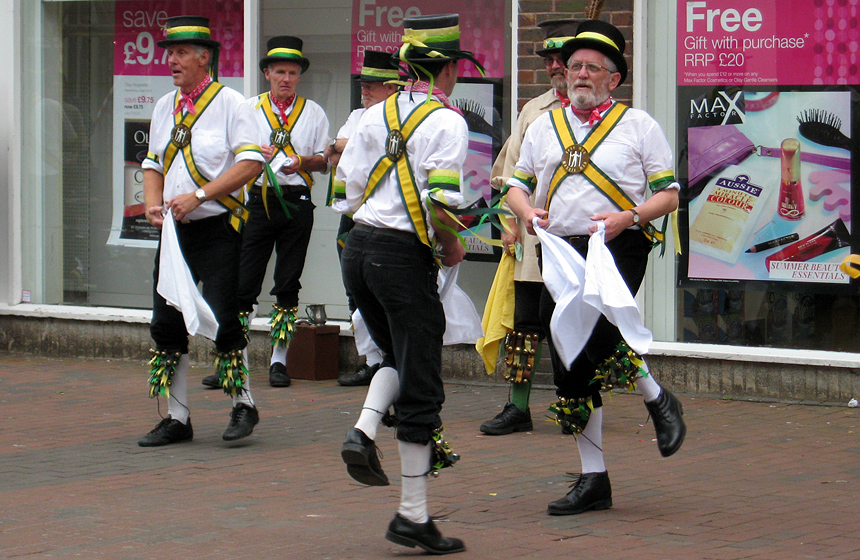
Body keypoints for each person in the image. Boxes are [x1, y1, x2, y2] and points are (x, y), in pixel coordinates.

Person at [504, 19, 686, 514]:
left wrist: (628, 215)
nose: (580, 74)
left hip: (618, 246)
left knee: (599, 335)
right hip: (559, 251)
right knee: (567, 357)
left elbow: (669, 194)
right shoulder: (543, 126)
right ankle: (594, 478)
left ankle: (655, 397)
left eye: (592, 68)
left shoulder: (639, 125)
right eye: (575, 66)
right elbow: (514, 185)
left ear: (613, 78)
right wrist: (525, 212)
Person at [336, 14, 483, 555]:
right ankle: (412, 516)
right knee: (421, 383)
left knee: (394, 356)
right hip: (400, 258)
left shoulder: (374, 114)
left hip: (358, 250)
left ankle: (364, 430)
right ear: (447, 70)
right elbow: (442, 204)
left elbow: (345, 192)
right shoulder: (448, 123)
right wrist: (450, 245)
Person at [137, 15, 265, 446]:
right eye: (170, 53)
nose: (172, 61)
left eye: (181, 53)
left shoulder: (232, 104)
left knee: (225, 315)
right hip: (175, 234)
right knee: (166, 320)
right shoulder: (162, 107)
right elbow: (153, 164)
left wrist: (199, 195)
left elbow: (251, 164)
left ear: (204, 57)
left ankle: (243, 404)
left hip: (219, 228)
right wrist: (154, 203)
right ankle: (177, 418)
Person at [202, 36, 329, 389]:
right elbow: (233, 157)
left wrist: (300, 161)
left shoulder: (313, 112)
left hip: (297, 202)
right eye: (279, 72)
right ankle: (233, 361)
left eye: (292, 72)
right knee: (243, 284)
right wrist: (255, 155)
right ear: (266, 73)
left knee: (287, 283)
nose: (286, 78)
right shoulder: (249, 110)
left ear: (299, 76)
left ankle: (278, 361)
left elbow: (324, 162)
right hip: (257, 202)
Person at [478, 18, 579, 436]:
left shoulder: (598, 115)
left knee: (568, 323)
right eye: (551, 60)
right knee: (523, 323)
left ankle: (573, 404)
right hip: (532, 237)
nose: (556, 66)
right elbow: (507, 175)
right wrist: (508, 225)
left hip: (576, 239)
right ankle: (518, 406)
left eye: (564, 59)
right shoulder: (532, 111)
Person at [324, 50, 400, 387]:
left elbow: (349, 150)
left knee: (385, 289)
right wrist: (346, 147)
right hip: (351, 216)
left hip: (385, 217)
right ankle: (372, 362)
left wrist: (347, 148)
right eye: (362, 84)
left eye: (371, 85)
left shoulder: (397, 118)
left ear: (391, 87)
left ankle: (390, 359)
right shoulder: (358, 115)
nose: (363, 90)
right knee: (355, 290)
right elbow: (333, 150)